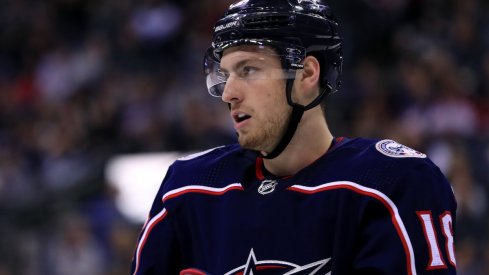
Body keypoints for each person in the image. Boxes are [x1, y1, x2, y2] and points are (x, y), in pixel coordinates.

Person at [131, 0, 457, 274]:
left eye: (248, 70)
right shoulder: (188, 189)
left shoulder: (391, 182)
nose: (228, 93)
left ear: (307, 73)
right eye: (225, 75)